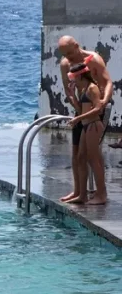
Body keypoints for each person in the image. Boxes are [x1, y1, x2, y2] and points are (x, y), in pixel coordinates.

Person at [61, 63, 108, 205]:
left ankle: (101, 194)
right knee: (81, 158)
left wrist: (78, 119)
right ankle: (82, 195)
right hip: (86, 126)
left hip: (93, 125)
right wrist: (72, 96)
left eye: (73, 77)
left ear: (80, 75)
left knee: (94, 160)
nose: (73, 81)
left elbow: (98, 109)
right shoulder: (83, 90)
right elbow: (80, 110)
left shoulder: (92, 88)